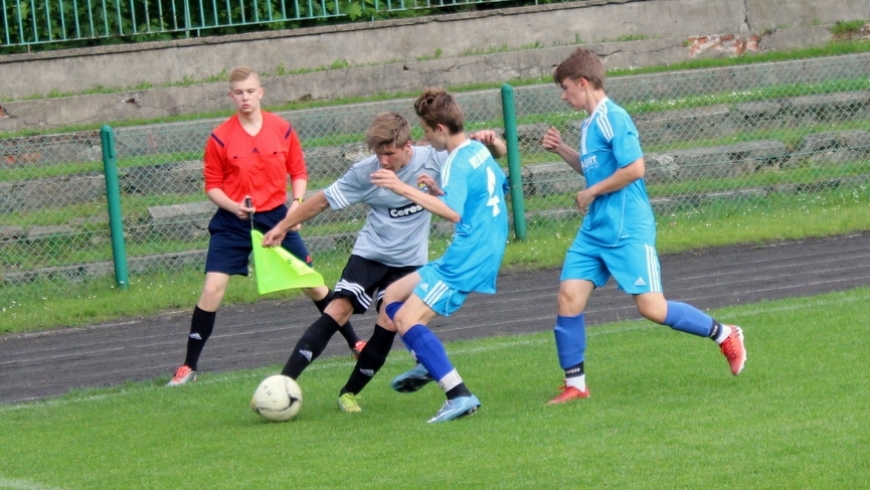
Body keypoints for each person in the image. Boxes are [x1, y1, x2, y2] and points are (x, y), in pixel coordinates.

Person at [262, 112, 507, 415]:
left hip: (410, 261)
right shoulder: (366, 172)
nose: (383, 161)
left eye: (389, 153)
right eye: (378, 154)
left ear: (408, 146)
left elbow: (487, 157)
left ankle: (349, 393)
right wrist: (283, 226)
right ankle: (282, 384)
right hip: (371, 254)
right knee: (338, 309)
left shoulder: (436, 158)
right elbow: (322, 200)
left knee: (392, 319)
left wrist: (493, 142)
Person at [539, 48, 747, 404]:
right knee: (568, 297)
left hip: (627, 228)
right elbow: (595, 172)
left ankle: (725, 333)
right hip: (596, 229)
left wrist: (591, 192)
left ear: (583, 83)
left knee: (652, 308)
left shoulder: (613, 118)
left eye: (565, 86)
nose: (563, 95)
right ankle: (576, 385)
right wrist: (563, 150)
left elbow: (635, 169)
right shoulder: (590, 124)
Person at [167, 66, 363, 386]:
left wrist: (295, 208)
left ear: (261, 93)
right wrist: (234, 207)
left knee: (313, 284)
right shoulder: (219, 137)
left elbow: (298, 173)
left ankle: (356, 344)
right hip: (232, 222)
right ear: (231, 96)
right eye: (238, 93)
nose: (245, 97)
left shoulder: (282, 129)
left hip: (277, 219)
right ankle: (189, 366)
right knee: (212, 289)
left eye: (250, 91)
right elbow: (212, 186)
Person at [372, 88, 509, 423]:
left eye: (425, 130)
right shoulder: (477, 149)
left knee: (405, 319)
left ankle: (458, 394)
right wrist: (437, 191)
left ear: (441, 129)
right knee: (392, 296)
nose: (424, 137)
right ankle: (428, 361)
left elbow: (452, 213)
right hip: (483, 243)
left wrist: (402, 187)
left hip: (470, 253)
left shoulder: (456, 161)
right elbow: (495, 186)